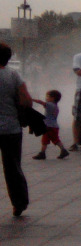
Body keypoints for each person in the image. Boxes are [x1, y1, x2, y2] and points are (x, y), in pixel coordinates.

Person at [0, 42, 33, 217]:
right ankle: (19, 203)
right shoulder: (13, 75)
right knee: (13, 166)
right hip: (11, 129)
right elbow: (26, 101)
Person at [30, 90, 69, 160]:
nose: (46, 98)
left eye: (48, 96)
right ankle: (45, 153)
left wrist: (31, 99)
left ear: (53, 98)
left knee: (49, 140)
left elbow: (41, 102)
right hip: (52, 126)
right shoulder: (55, 106)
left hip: (49, 126)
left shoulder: (50, 105)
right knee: (50, 140)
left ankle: (44, 153)